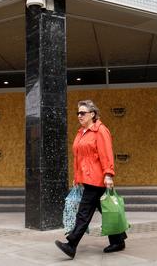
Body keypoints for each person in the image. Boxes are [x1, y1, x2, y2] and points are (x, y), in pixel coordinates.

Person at [55, 100, 127, 259]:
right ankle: (118, 240)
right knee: (105, 210)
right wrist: (76, 176)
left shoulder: (100, 131)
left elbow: (106, 153)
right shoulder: (81, 132)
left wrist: (108, 174)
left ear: (92, 114)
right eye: (78, 113)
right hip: (86, 178)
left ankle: (71, 245)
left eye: (82, 113)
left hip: (97, 179)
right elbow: (78, 157)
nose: (79, 116)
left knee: (83, 213)